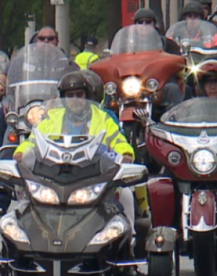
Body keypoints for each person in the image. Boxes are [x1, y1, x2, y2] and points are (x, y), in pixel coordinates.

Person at [13, 71, 139, 227]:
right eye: (70, 95)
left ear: (87, 96)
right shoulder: (52, 118)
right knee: (24, 201)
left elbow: (118, 141)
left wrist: (125, 154)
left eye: (79, 95)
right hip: (55, 176)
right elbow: (33, 140)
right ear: (63, 99)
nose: (75, 100)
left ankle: (130, 238)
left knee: (125, 194)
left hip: (95, 176)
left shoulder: (103, 118)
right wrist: (20, 153)